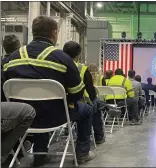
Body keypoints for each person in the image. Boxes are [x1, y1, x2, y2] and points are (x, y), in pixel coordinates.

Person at [1, 16, 96, 166]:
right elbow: (77, 94)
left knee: (38, 107)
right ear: (54, 33)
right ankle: (82, 153)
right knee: (87, 110)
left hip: (23, 118)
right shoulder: (63, 59)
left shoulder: (11, 59)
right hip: (56, 117)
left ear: (34, 32)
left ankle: (40, 156)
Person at [63, 41, 105, 145]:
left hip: (54, 108)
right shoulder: (82, 69)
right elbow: (90, 93)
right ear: (78, 55)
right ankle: (97, 138)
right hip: (74, 106)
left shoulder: (54, 66)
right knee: (95, 105)